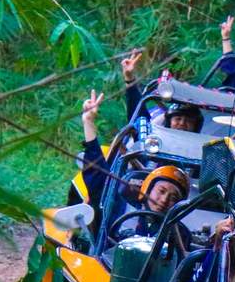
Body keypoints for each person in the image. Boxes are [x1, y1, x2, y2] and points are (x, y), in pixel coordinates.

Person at [79, 91, 194, 251]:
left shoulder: (181, 235)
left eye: (173, 197)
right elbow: (98, 177)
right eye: (161, 191)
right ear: (146, 188)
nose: (164, 200)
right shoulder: (118, 208)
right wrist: (88, 122)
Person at [121, 49, 205, 133]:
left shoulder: (203, 145)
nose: (182, 123)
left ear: (196, 126)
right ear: (169, 121)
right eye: (178, 119)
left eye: (189, 120)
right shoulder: (155, 142)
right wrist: (129, 78)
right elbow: (139, 122)